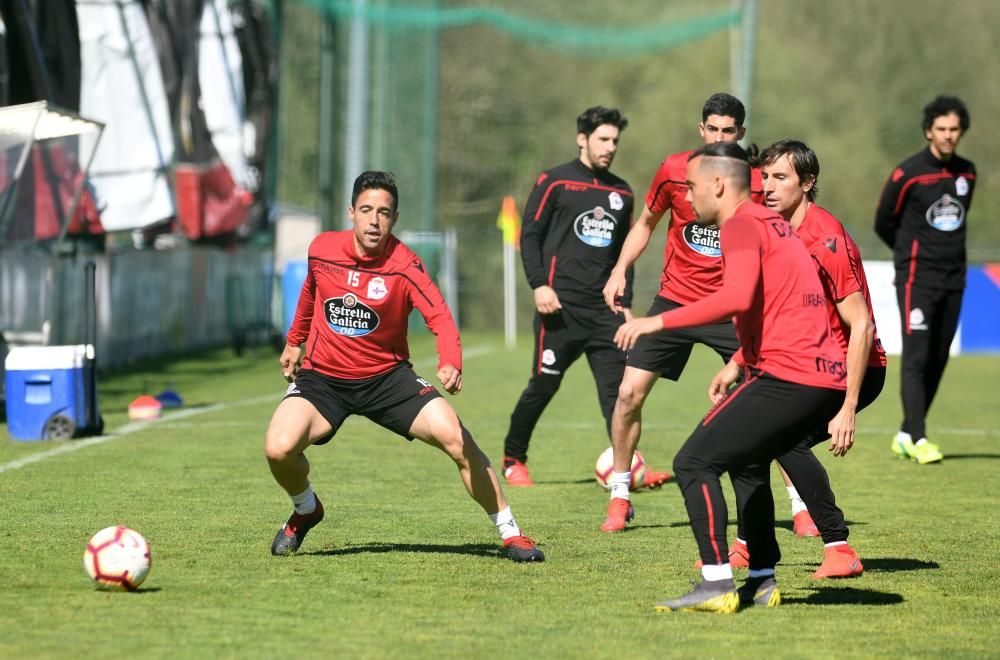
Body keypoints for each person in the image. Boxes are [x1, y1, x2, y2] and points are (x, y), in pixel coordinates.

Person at [614, 143, 847, 612]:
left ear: (718, 185)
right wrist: (739, 360)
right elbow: (775, 301)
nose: (690, 196)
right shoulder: (773, 223)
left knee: (692, 463)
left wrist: (655, 321)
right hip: (820, 376)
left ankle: (716, 582)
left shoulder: (741, 223)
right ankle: (761, 579)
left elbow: (737, 297)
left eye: (694, 187)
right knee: (746, 462)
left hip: (791, 375)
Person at [265, 171, 544, 562]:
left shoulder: (405, 265)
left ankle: (512, 534)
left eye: (383, 212)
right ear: (351, 213)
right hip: (324, 378)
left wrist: (451, 360)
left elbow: (441, 317)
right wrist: (295, 341)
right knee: (278, 449)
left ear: (394, 219)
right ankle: (306, 509)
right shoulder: (322, 249)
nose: (374, 220)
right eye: (366, 210)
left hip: (387, 380)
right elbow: (311, 292)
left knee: (456, 438)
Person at [599, 93, 816, 535]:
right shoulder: (674, 172)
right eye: (713, 130)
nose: (719, 137)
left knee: (772, 406)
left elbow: (786, 231)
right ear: (702, 130)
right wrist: (619, 269)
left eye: (729, 132)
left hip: (734, 310)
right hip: (676, 298)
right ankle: (620, 495)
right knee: (627, 395)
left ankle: (801, 505)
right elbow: (644, 224)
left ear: (741, 134)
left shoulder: (755, 181)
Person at [501, 106, 670, 488]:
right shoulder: (555, 182)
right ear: (583, 139)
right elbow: (529, 236)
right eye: (603, 139)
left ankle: (628, 472)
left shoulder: (621, 192)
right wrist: (539, 285)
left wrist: (624, 303)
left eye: (615, 141)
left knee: (620, 395)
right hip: (559, 309)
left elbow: (624, 256)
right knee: (544, 385)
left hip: (605, 312)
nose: (610, 147)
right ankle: (514, 460)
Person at [754, 139, 888, 579]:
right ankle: (747, 549)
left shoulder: (825, 237)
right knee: (748, 441)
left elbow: (862, 326)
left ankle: (838, 546)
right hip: (810, 368)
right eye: (765, 176)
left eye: (780, 178)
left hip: (855, 369)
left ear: (807, 183)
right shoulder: (777, 230)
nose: (767, 187)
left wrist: (848, 407)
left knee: (781, 441)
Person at [874, 95, 976, 465]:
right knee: (916, 357)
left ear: (960, 131)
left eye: (954, 130)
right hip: (917, 277)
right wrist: (907, 256)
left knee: (938, 356)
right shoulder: (909, 173)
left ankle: (905, 432)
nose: (948, 136)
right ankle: (918, 436)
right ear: (929, 131)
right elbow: (884, 221)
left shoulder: (968, 173)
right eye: (941, 129)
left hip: (955, 279)